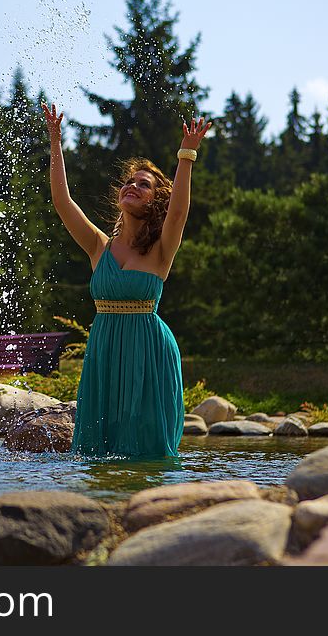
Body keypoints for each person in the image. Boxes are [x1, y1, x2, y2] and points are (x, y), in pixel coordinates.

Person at [42, 101, 211, 458]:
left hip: (149, 353)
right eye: (129, 182)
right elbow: (62, 202)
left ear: (154, 201)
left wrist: (187, 154)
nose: (131, 186)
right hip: (104, 350)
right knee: (97, 452)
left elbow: (179, 212)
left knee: (145, 448)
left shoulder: (161, 251)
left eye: (143, 184)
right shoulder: (98, 247)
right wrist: (55, 140)